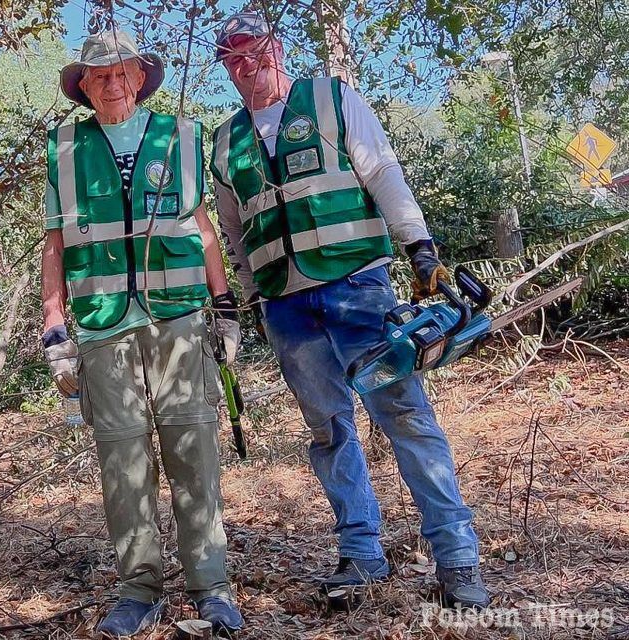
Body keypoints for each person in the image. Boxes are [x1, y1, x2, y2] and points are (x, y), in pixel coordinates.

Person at [209, 13, 490, 610]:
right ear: (225, 67)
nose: (246, 65)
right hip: (286, 306)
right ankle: (361, 554)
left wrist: (419, 248)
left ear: (277, 48)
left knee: (405, 416)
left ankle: (457, 558)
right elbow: (234, 230)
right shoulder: (226, 142)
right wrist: (250, 298)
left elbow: (381, 169)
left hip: (357, 288)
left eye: (254, 50)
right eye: (232, 58)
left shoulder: (331, 100)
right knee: (329, 430)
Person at [41, 30, 244, 636]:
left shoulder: (178, 136)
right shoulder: (66, 147)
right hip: (102, 325)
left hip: (178, 319)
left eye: (121, 73)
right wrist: (54, 324)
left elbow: (202, 226)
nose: (112, 84)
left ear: (138, 77)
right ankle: (138, 588)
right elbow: (56, 242)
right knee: (122, 460)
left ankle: (211, 586)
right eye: (99, 76)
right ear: (84, 86)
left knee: (193, 450)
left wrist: (224, 304)